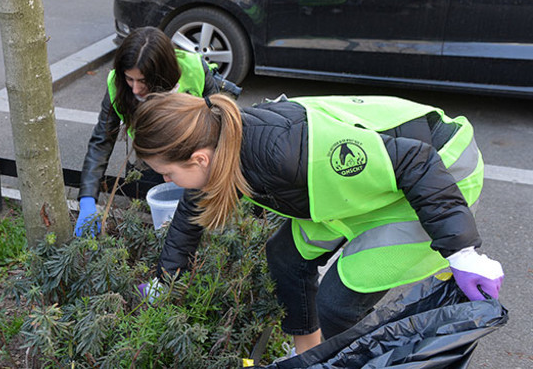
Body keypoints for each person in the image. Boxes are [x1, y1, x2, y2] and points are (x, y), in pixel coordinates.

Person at [131, 92, 504, 356]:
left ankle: (334, 358)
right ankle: (308, 355)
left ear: (198, 159)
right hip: (368, 184)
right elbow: (190, 217)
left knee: (337, 302)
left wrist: (462, 251)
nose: (165, 181)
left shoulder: (284, 153)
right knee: (286, 257)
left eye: (166, 172)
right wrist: (166, 283)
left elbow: (415, 163)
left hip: (442, 169)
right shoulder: (221, 142)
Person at [75, 26, 221, 236]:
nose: (134, 89)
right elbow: (101, 141)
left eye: (143, 81)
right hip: (152, 167)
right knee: (159, 229)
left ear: (163, 73)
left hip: (195, 164)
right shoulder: (117, 86)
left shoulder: (194, 69)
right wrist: (88, 198)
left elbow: (219, 127)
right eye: (129, 79)